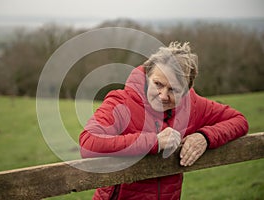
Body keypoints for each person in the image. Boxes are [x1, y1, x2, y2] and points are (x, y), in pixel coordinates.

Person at [79, 42, 249, 200]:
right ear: (147, 76)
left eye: (173, 90)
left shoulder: (192, 105)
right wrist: (154, 142)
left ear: (186, 91)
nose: (163, 95)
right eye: (158, 84)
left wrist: (204, 137)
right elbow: (88, 143)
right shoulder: (121, 102)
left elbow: (239, 120)